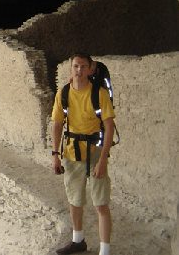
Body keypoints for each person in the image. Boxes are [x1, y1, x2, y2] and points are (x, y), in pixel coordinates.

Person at [51, 53, 116, 255]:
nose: (79, 70)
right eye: (76, 66)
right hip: (71, 153)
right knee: (75, 200)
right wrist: (55, 154)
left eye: (83, 67)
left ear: (90, 69)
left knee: (101, 203)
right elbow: (57, 123)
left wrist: (103, 159)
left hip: (95, 153)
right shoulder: (63, 93)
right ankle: (78, 241)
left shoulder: (99, 94)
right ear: (71, 68)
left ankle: (105, 251)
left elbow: (109, 127)